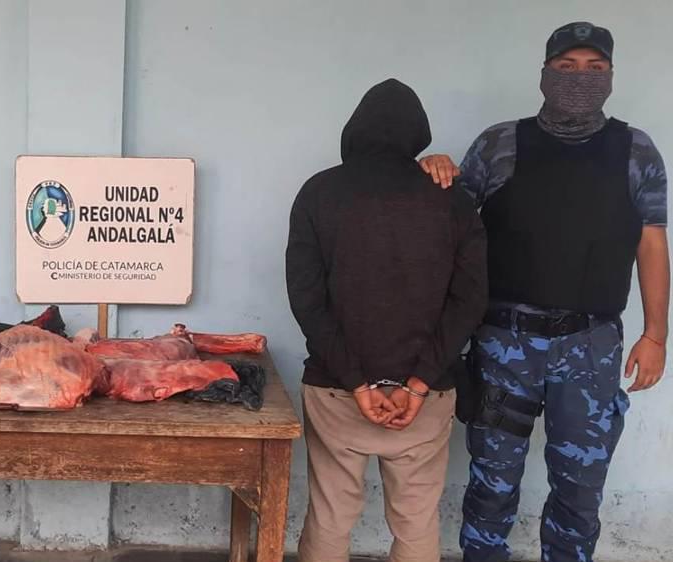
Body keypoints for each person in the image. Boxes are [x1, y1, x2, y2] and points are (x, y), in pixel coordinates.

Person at [419, 21, 669, 562]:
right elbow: (449, 223)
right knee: (492, 481)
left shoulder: (636, 150)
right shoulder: (499, 143)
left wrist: (656, 335)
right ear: (545, 73)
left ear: (611, 75)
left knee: (580, 489)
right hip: (504, 342)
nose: (581, 78)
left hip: (591, 345)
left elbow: (651, 243)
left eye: (595, 68)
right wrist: (432, 169)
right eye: (567, 66)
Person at [286, 78, 488, 562]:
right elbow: (470, 301)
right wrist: (417, 385)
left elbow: (307, 300)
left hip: (337, 391)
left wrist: (358, 384)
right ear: (417, 134)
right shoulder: (452, 200)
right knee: (417, 521)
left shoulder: (319, 193)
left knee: (330, 516)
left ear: (353, 130)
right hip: (426, 396)